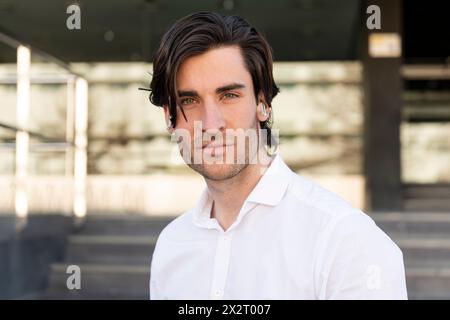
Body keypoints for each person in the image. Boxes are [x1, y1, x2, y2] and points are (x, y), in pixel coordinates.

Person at [146, 11, 407, 300]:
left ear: (263, 103)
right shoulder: (172, 245)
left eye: (229, 95)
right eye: (189, 100)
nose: (210, 123)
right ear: (169, 117)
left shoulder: (345, 239)